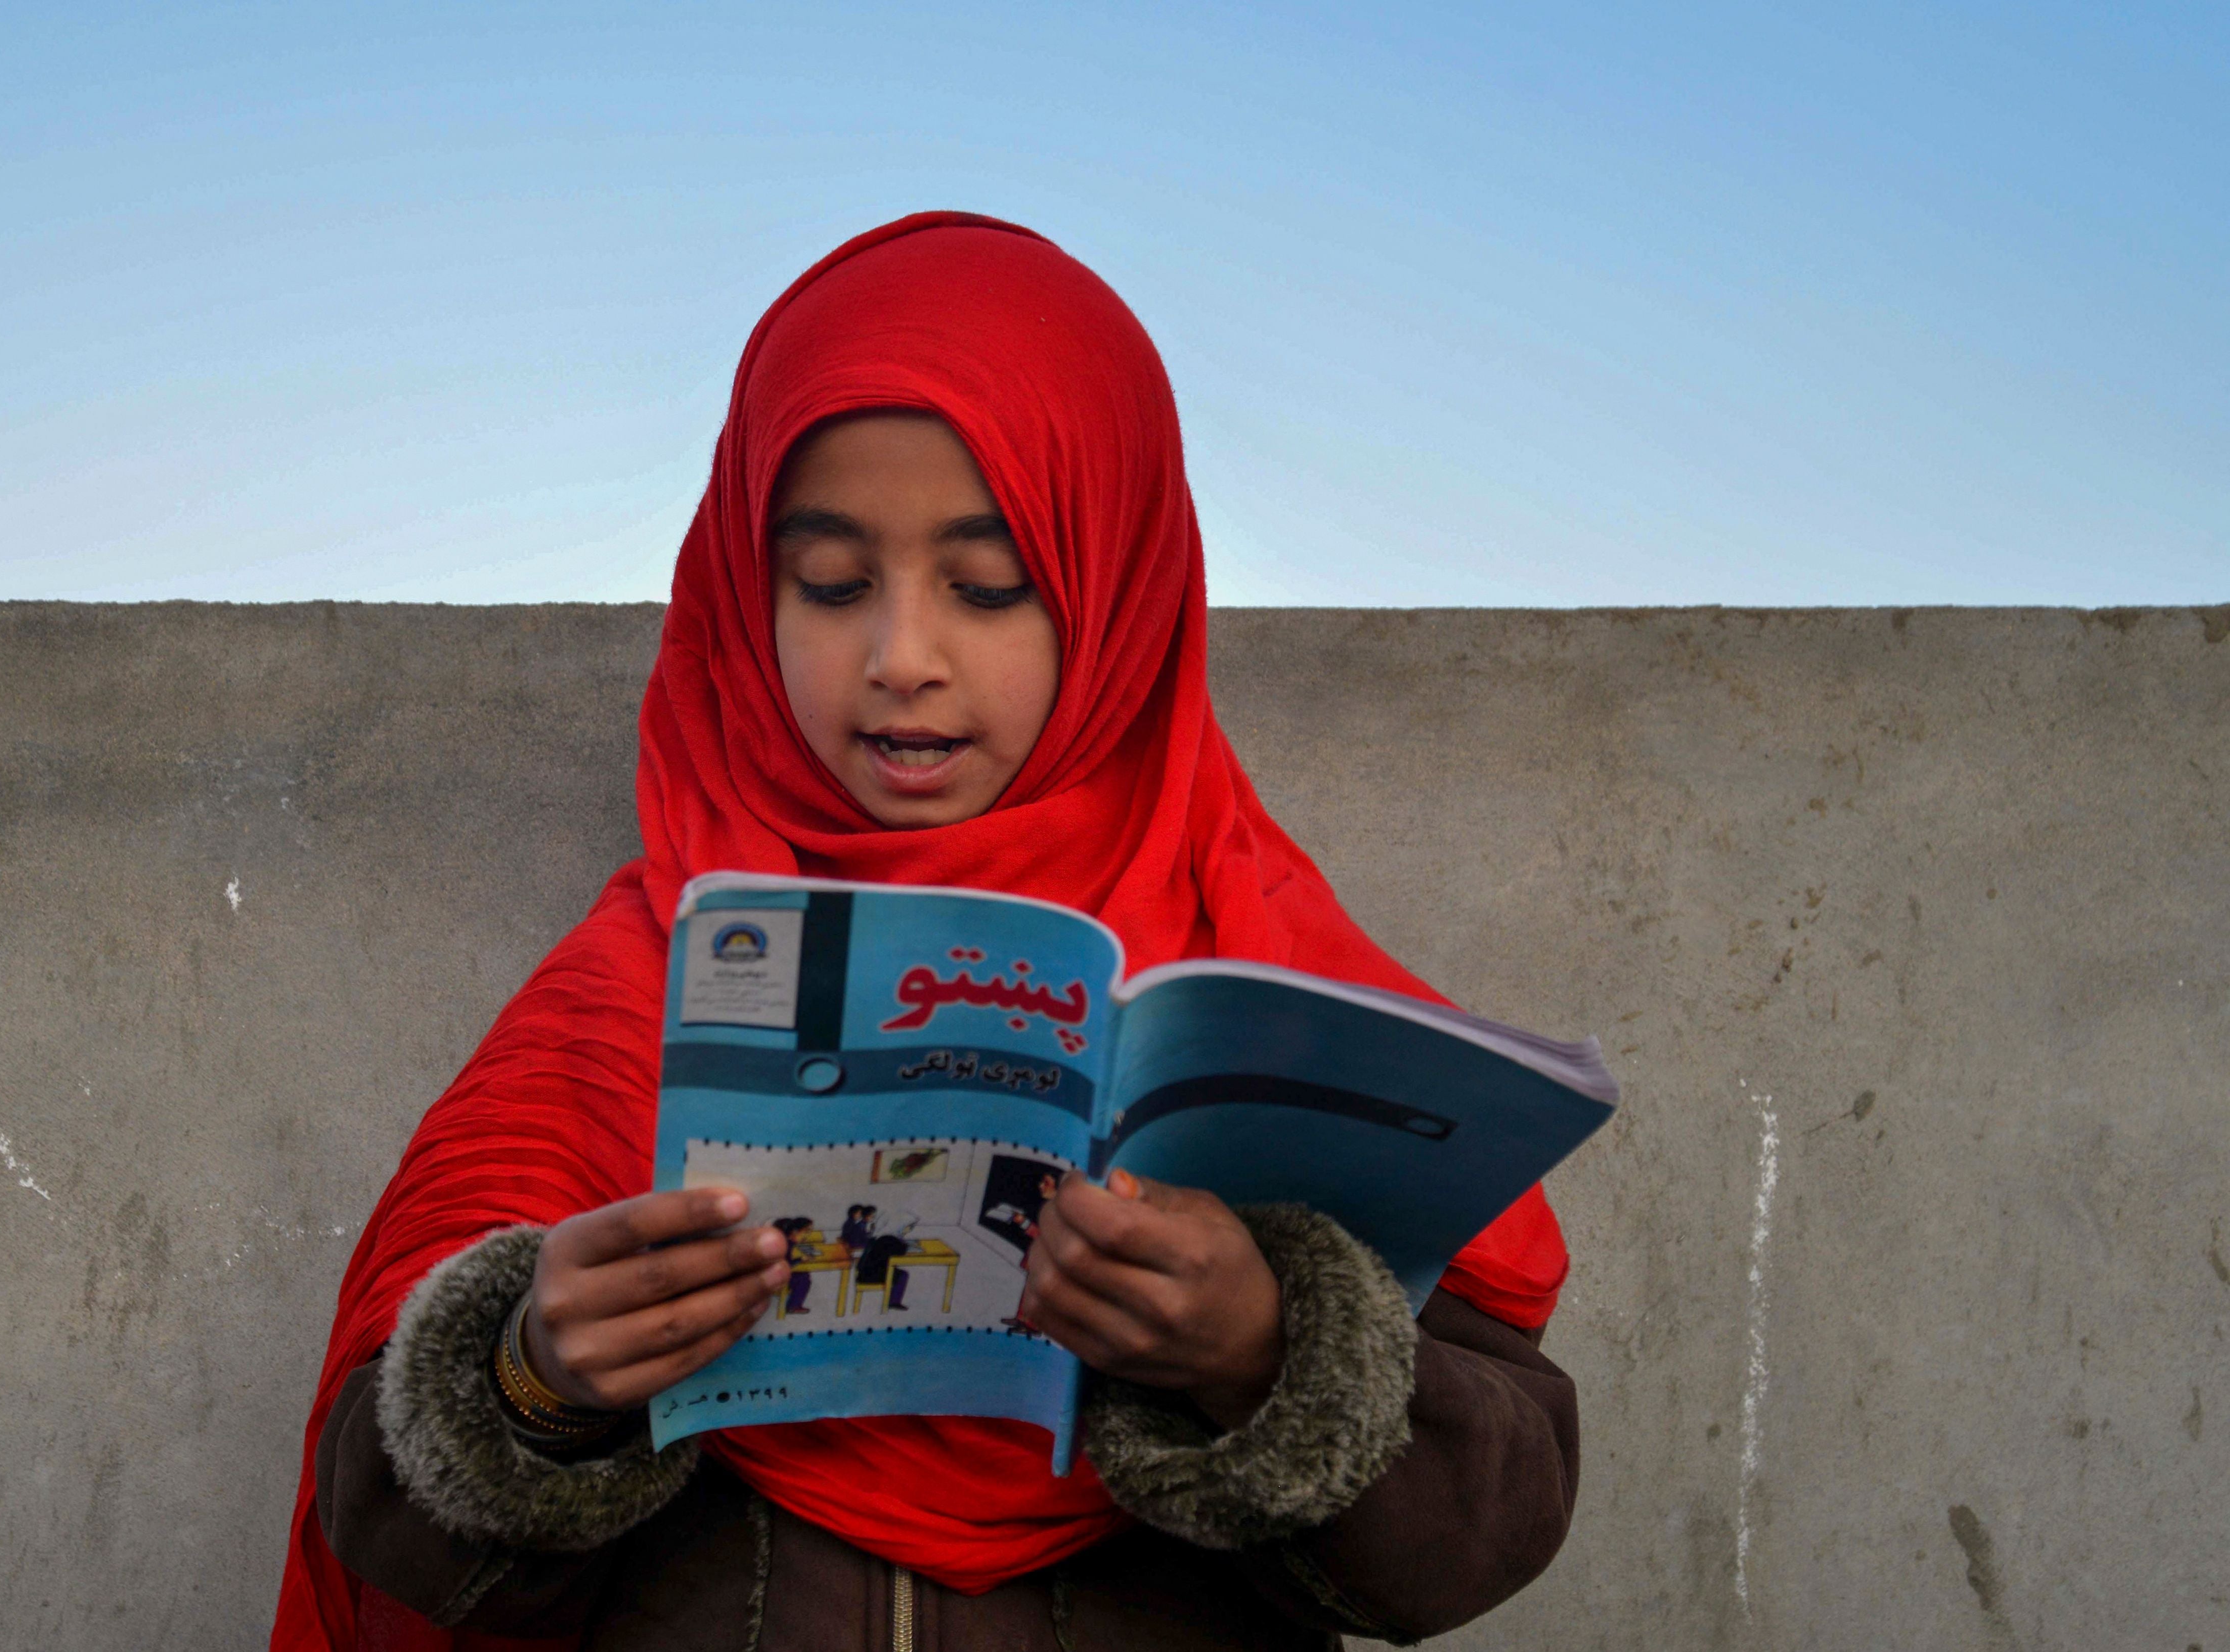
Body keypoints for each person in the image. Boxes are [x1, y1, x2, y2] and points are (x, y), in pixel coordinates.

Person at [277, 213, 1579, 1652]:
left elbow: (1482, 1528)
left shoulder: (1268, 989)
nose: (903, 657)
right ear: (739, 590)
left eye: (990, 584)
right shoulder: (632, 993)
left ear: (1117, 588)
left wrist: (1265, 1356)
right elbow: (387, 1514)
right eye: (832, 583)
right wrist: (534, 1382)